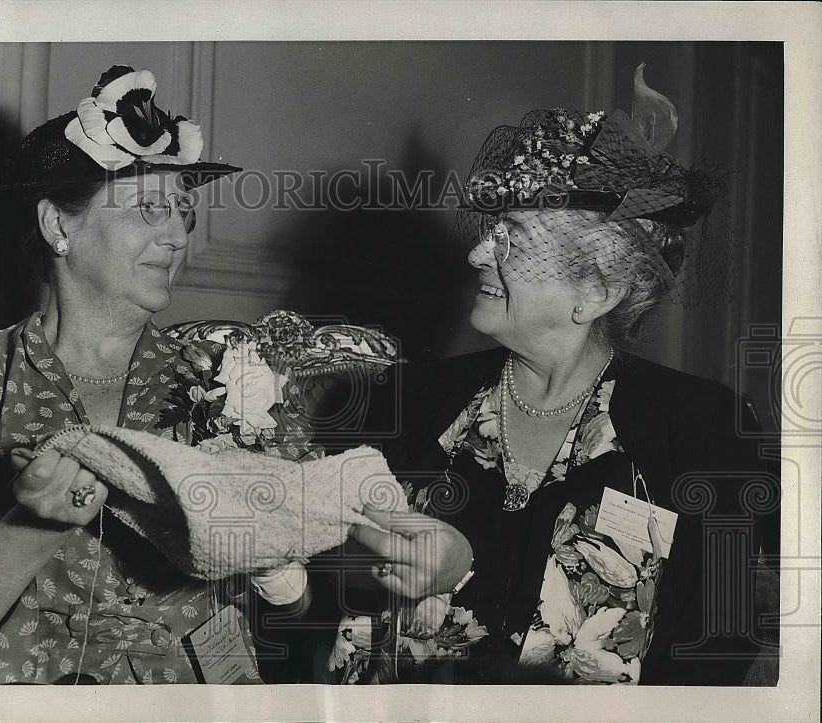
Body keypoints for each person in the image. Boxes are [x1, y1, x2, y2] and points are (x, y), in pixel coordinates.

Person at [295, 66, 775, 685]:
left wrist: (467, 566)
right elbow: (327, 580)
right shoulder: (411, 397)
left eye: (512, 237)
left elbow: (716, 656)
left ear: (597, 290)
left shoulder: (705, 429)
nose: (474, 253)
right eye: (488, 229)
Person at [0, 64, 318, 685]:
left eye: (182, 213)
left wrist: (276, 568)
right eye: (146, 210)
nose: (176, 236)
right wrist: (33, 525)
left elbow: (297, 613)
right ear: (59, 225)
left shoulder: (233, 386)